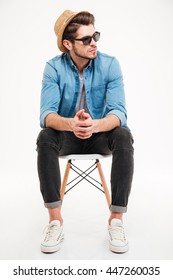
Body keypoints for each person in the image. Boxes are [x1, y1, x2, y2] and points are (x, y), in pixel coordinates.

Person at [36, 10, 134, 254]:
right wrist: (71, 124)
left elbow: (119, 112)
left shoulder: (110, 64)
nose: (94, 44)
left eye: (96, 36)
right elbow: (46, 116)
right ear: (68, 44)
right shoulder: (53, 68)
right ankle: (55, 221)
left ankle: (116, 220)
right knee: (45, 137)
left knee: (123, 134)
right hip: (67, 136)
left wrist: (94, 125)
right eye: (87, 40)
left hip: (100, 135)